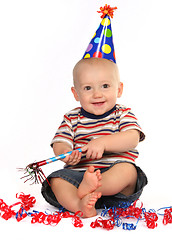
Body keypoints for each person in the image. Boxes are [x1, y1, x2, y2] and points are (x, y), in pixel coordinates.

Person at [41, 57, 147, 218]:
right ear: (76, 93)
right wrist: (67, 153)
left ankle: (93, 189)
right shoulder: (72, 118)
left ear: (119, 89)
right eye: (88, 88)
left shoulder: (122, 114)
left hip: (115, 183)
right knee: (56, 180)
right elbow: (60, 142)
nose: (97, 94)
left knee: (128, 171)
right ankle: (80, 205)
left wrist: (103, 143)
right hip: (80, 176)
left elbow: (132, 138)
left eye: (105, 86)